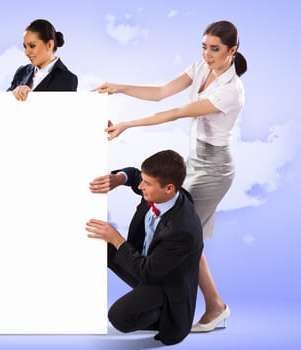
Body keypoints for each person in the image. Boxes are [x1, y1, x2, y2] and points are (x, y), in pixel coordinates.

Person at [92, 20, 246, 332]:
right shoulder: (202, 67)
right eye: (204, 46)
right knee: (191, 239)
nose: (207, 54)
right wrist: (120, 87)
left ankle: (176, 300)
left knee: (184, 232)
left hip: (214, 168)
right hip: (196, 158)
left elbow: (176, 112)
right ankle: (211, 304)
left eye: (215, 49)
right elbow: (162, 93)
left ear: (232, 51)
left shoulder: (231, 91)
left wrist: (127, 125)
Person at [86, 150, 203, 345]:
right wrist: (119, 178)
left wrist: (117, 239)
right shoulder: (164, 191)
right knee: (100, 246)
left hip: (164, 284)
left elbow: (147, 273)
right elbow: (133, 175)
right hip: (148, 264)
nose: (140, 186)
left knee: (118, 317)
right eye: (143, 180)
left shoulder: (183, 230)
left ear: (168, 189)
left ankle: (159, 315)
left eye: (146, 184)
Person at [0, 19, 77, 101]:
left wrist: (32, 95)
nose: (26, 52)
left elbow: (58, 115)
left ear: (49, 45)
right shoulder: (22, 71)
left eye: (32, 46)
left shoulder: (68, 79)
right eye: (25, 46)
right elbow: (4, 105)